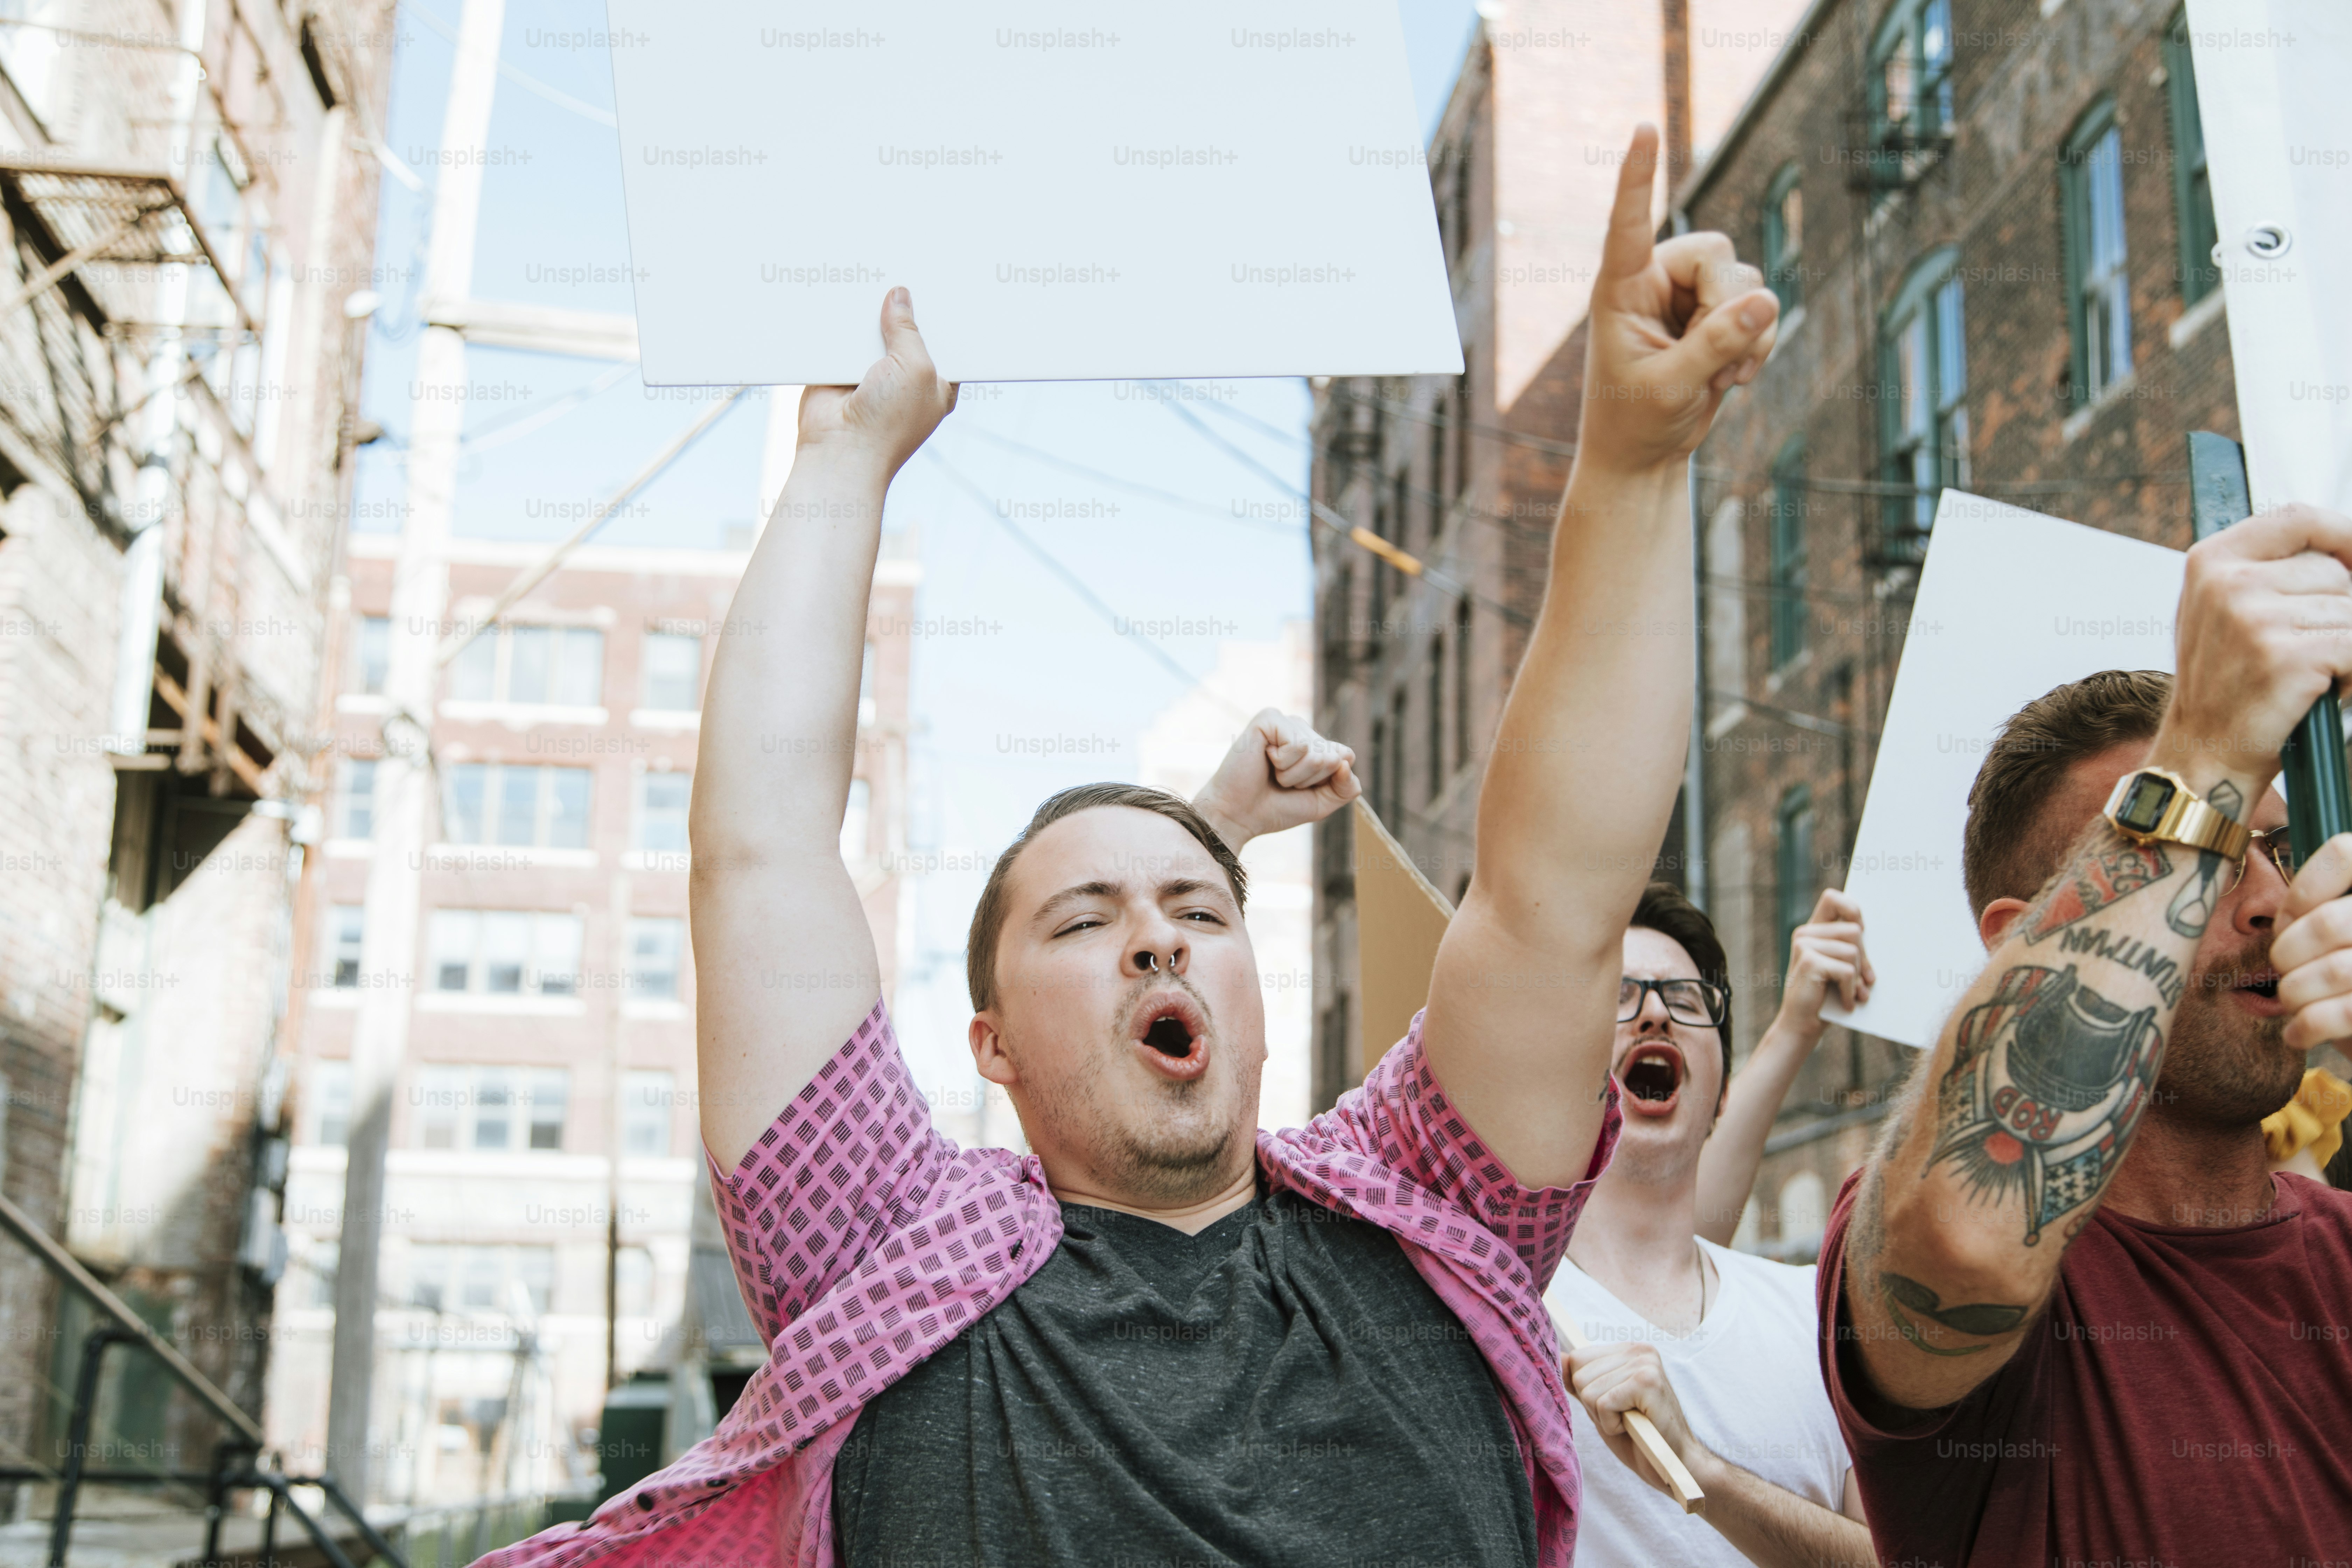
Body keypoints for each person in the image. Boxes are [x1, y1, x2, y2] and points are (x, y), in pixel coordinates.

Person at [475, 122, 1784, 1568]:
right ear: (990, 1046)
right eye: (1084, 918)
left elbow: (1553, 899)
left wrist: (1635, 465)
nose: (1157, 933)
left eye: (1196, 908)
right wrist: (846, 462)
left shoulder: (1433, 1216)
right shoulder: (882, 1255)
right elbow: (762, 848)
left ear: (1253, 991)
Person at [1819, 510, 2352, 1567]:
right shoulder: (1961, 1248)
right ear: (2024, 948)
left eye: (2274, 850)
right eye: (2196, 853)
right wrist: (2202, 752)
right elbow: (1970, 1235)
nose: (2266, 903)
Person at [1550, 883, 1874, 1567]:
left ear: (1724, 1088)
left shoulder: (1818, 1312)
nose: (1656, 1014)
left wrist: (1700, 1468)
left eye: (1686, 1000)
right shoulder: (1504, 1310)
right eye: (1618, 995)